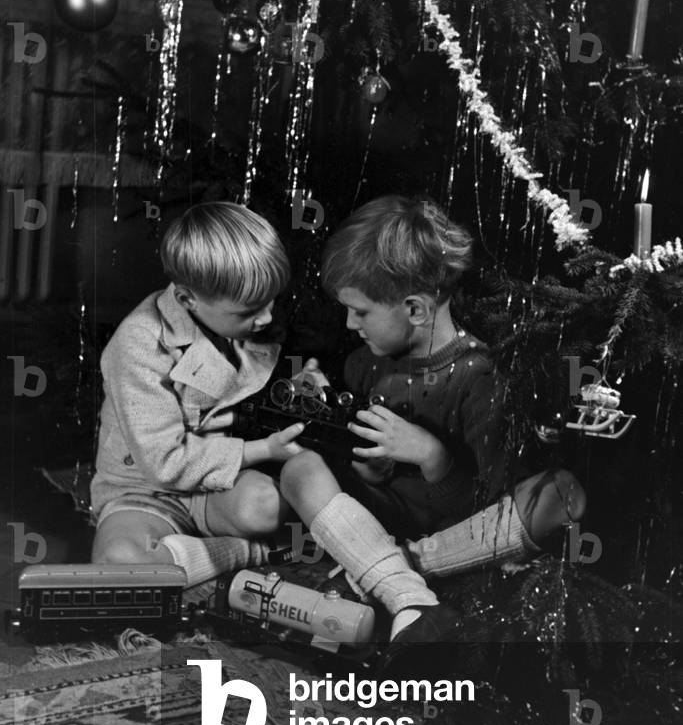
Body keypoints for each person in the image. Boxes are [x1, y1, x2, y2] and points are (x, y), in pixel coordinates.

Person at [280, 196, 586, 644]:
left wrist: (433, 457)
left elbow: (489, 503)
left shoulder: (480, 376)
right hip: (379, 520)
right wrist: (351, 443)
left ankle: (395, 567)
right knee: (298, 469)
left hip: (453, 535)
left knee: (562, 493)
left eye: (360, 311)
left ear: (416, 310)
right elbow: (366, 474)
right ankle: (396, 578)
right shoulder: (363, 365)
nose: (348, 323)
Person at [90, 201, 307, 588]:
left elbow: (250, 394)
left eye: (270, 302)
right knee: (119, 563)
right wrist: (264, 450)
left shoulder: (242, 314)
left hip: (212, 487)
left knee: (267, 506)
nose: (266, 319)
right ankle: (247, 553)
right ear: (188, 299)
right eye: (249, 311)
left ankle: (183, 555)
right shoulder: (138, 343)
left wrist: (299, 386)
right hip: (147, 490)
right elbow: (164, 462)